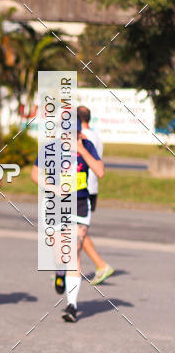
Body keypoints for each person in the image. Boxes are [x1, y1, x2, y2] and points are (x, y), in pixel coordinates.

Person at [31, 118, 104, 323]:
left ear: (80, 133)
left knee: (73, 253)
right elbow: (35, 174)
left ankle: (72, 305)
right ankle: (59, 271)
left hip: (80, 204)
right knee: (60, 253)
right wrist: (54, 188)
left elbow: (100, 172)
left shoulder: (86, 146)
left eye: (75, 133)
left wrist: (81, 149)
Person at [77, 106, 114, 286]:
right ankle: (65, 268)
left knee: (78, 232)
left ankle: (100, 265)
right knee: (77, 231)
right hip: (91, 187)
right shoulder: (96, 135)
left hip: (83, 187)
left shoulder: (83, 137)